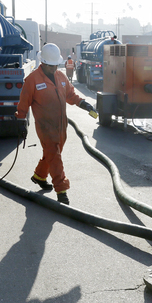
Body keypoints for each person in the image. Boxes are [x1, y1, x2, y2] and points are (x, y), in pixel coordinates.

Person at [16, 43, 95, 205]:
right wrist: (20, 121)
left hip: (61, 124)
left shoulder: (61, 77)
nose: (54, 69)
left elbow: (71, 95)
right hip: (45, 126)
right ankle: (61, 190)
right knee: (54, 154)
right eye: (51, 66)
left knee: (53, 153)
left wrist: (84, 104)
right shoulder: (32, 80)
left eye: (55, 65)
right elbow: (23, 103)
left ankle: (39, 176)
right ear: (43, 63)